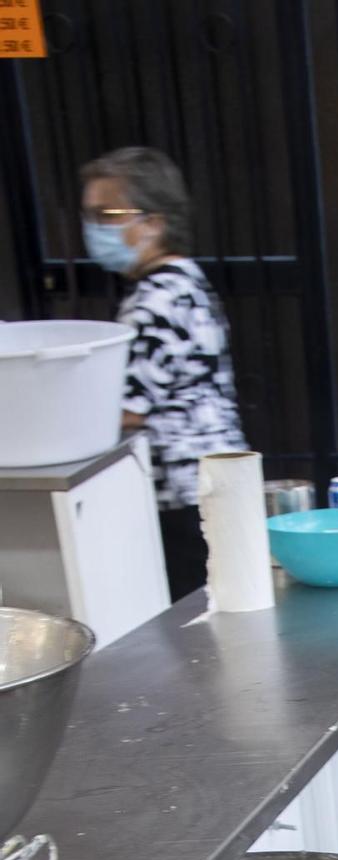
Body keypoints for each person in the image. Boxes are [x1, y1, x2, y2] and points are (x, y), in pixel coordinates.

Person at [79, 146, 247, 599]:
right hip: (211, 484)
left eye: (108, 214)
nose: (95, 227)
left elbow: (127, 409)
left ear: (153, 222)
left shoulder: (158, 299)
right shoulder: (182, 282)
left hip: (185, 494)